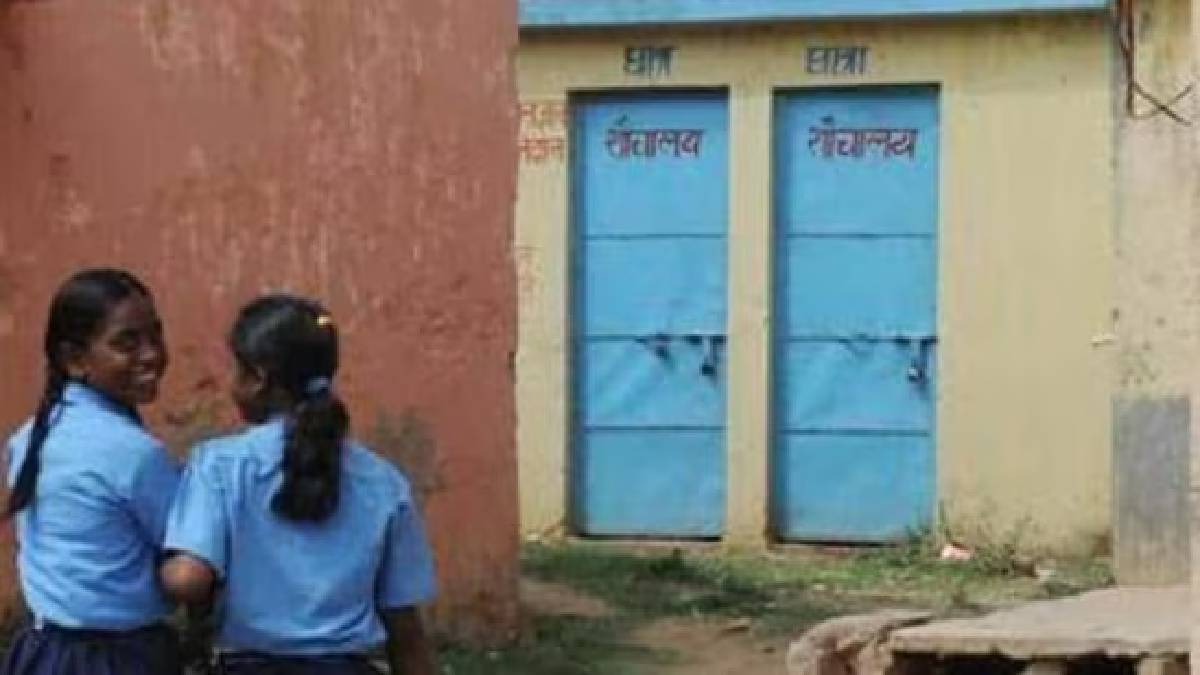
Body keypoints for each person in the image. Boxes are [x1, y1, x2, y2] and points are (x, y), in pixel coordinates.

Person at [161, 294, 437, 675]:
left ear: (258, 379)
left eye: (238, 371)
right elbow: (405, 629)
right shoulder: (384, 483)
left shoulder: (220, 467)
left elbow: (189, 578)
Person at [2, 268, 181, 675]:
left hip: (41, 653)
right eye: (127, 343)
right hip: (120, 659)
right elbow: (183, 551)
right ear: (75, 360)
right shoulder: (134, 454)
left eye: (155, 335)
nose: (151, 354)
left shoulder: (29, 438)